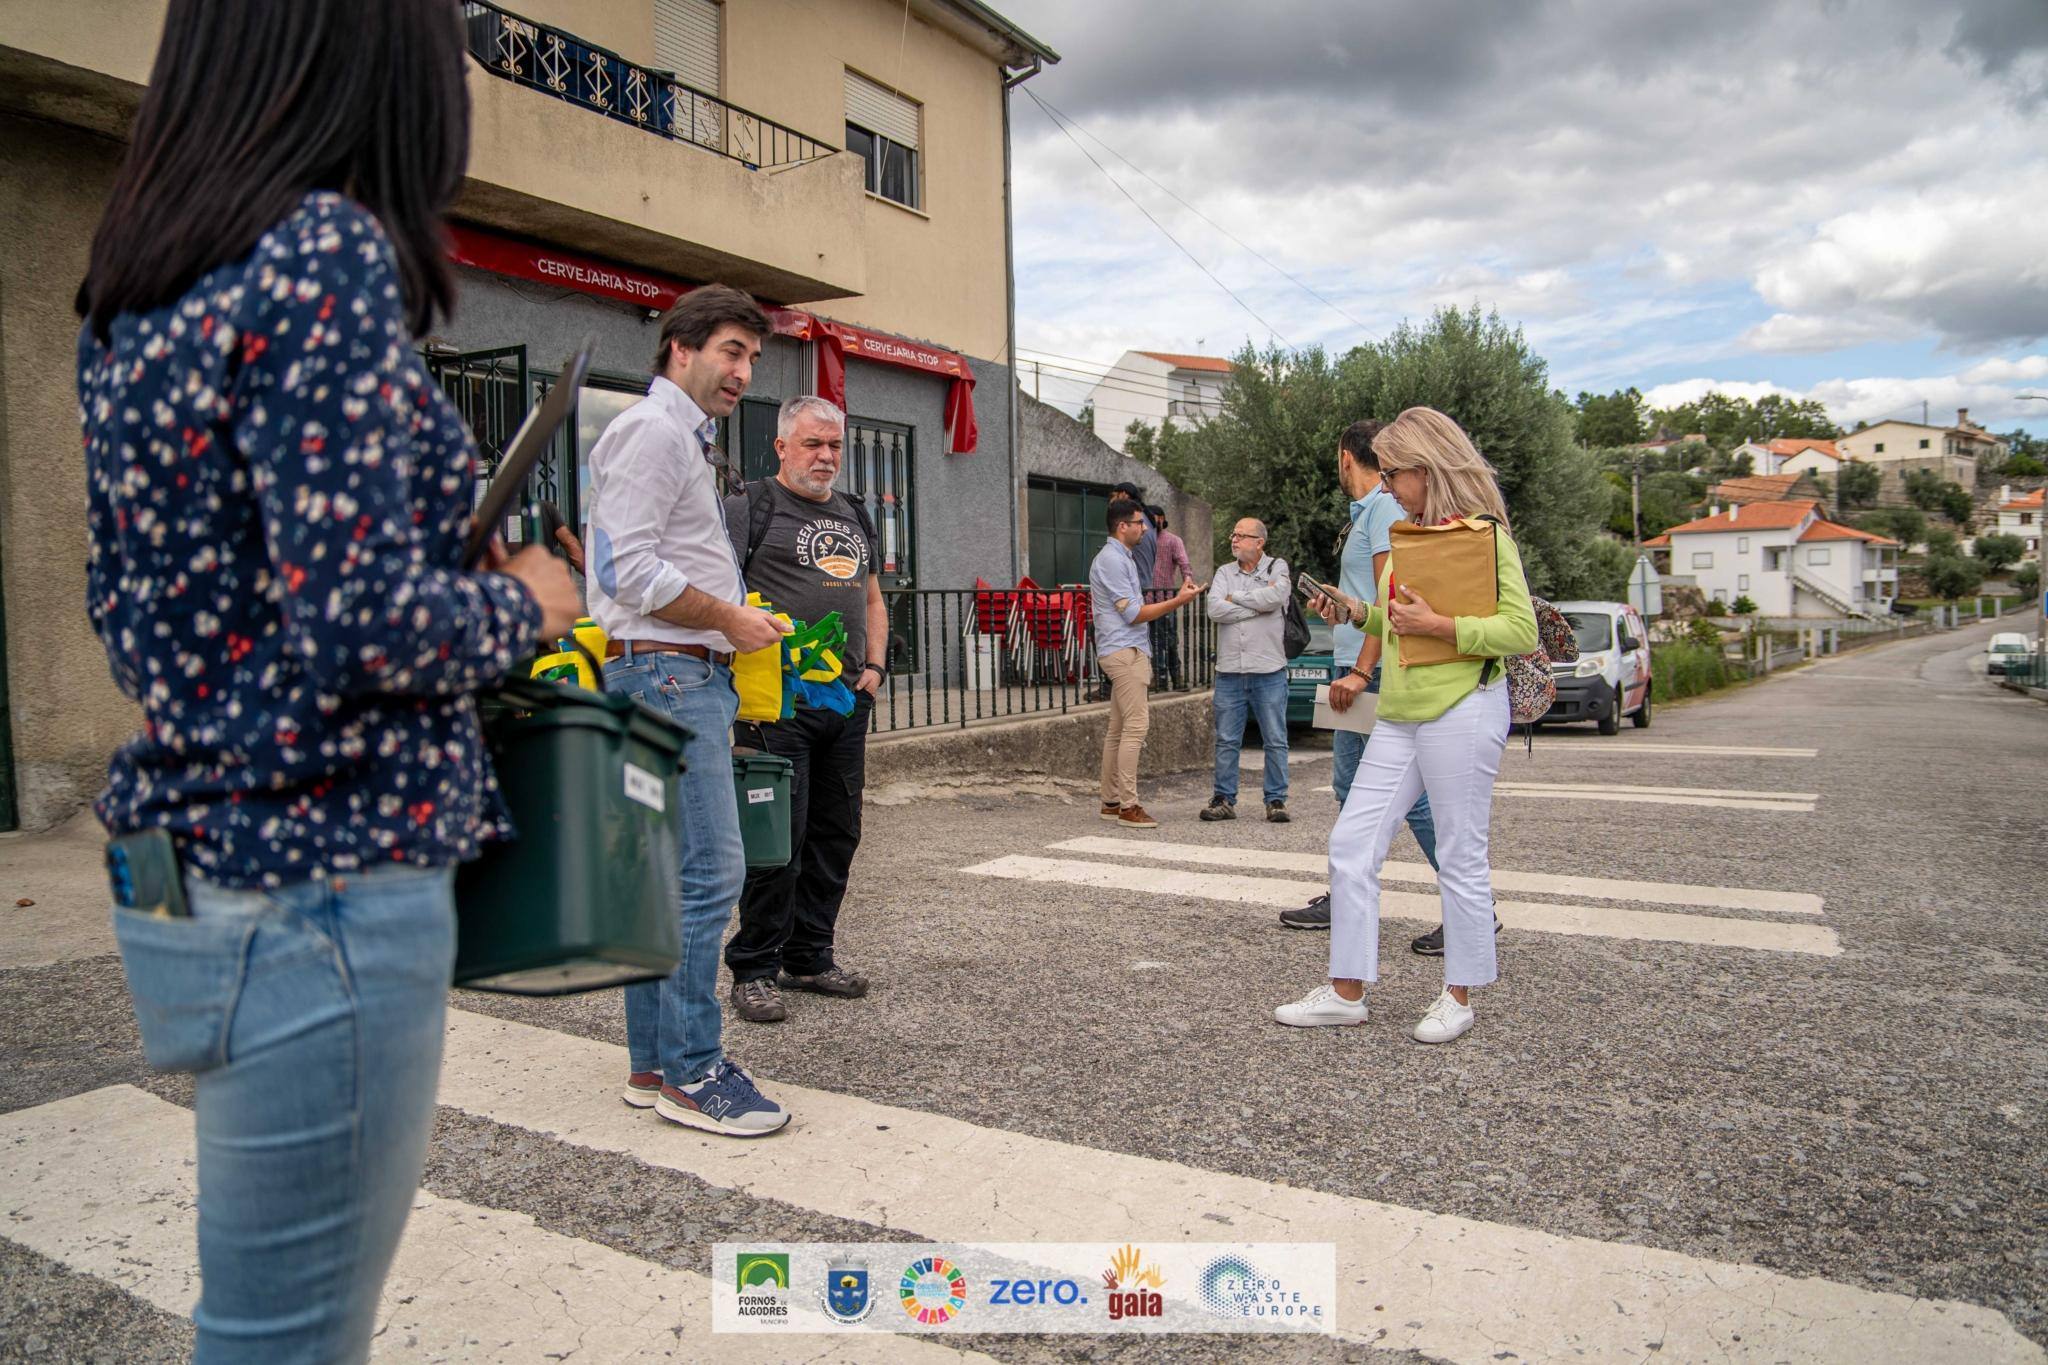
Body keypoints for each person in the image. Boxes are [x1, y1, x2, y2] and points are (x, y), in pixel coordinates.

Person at [74, 2, 582, 1357]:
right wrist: (526, 600)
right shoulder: (321, 254)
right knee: (289, 1339)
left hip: (195, 872)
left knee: (257, 1319)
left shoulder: (135, 292)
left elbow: (128, 614)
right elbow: (361, 627)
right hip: (326, 892)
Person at [585, 284, 794, 1136]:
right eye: (732, 350)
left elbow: (649, 565)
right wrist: (730, 617)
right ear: (681, 347)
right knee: (710, 871)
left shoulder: (677, 437)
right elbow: (629, 572)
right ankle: (693, 1072)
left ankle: (650, 1062)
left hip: (663, 672)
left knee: (662, 882)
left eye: (752, 355)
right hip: (668, 676)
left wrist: (734, 616)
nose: (744, 370)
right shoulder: (652, 431)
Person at [1276, 407, 1537, 1045]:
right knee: (1351, 845)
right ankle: (1346, 992)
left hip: (1464, 705)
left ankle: (1459, 996)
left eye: (1396, 473)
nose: (1388, 485)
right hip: (1402, 710)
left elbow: (1520, 630)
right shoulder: (1410, 538)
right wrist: (1354, 610)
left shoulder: (1485, 537)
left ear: (1430, 467)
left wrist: (1443, 627)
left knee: (1460, 853)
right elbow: (1395, 621)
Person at [721, 397, 886, 1022]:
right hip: (773, 707)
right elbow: (719, 592)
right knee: (774, 842)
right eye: (813, 444)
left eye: (835, 446)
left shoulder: (853, 514)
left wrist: (872, 671)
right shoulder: (750, 507)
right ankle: (754, 968)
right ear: (782, 447)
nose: (826, 457)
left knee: (835, 834)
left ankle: (809, 957)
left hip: (846, 702)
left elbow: (871, 597)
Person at [1281, 420, 1442, 933]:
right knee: (1353, 786)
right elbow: (1369, 600)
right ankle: (1348, 892)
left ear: (1345, 457)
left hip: (1367, 672)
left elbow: (1391, 598)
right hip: (1357, 662)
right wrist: (1340, 607)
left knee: (1401, 793)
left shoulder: (1383, 510)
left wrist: (1360, 669)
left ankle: (1475, 907)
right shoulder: (1369, 512)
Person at [1091, 498, 1201, 829]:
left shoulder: (1119, 558)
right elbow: (1133, 613)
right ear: (1122, 526)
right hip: (1125, 652)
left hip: (1124, 648)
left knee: (1118, 729)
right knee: (1136, 727)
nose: (1146, 528)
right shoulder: (1112, 560)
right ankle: (1129, 805)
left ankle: (1111, 801)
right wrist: (1179, 601)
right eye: (1140, 523)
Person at [1201, 519, 1293, 823]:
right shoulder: (1224, 572)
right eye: (1234, 535)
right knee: (1227, 738)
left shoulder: (1277, 568)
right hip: (1230, 670)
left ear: (1259, 542)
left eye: (1242, 536)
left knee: (1275, 738)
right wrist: (1258, 606)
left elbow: (1277, 597)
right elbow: (1214, 609)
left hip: (1269, 669)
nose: (1235, 540)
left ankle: (1276, 800)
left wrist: (1236, 599)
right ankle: (1224, 798)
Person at [1148, 505, 1195, 690]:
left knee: (1170, 640)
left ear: (1162, 519)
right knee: (1154, 641)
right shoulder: (1143, 541)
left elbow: (1185, 564)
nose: (1153, 521)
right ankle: (1159, 678)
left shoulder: (1173, 540)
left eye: (1155, 517)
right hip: (1147, 601)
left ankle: (1176, 678)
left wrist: (1187, 583)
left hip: (1167, 599)